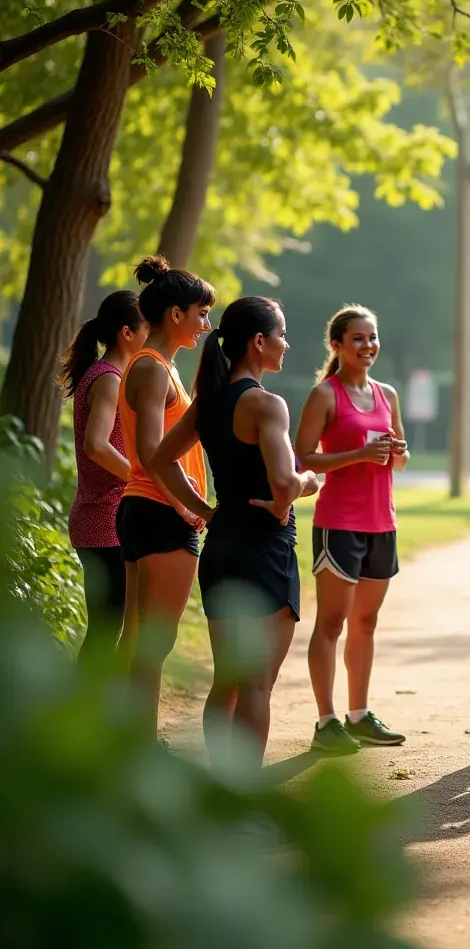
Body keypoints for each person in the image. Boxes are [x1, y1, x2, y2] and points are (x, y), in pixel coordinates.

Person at [150, 297, 319, 768]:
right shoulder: (267, 404)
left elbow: (161, 459)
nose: (287, 344)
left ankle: (221, 794)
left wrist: (207, 511)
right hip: (264, 548)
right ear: (259, 341)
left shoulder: (210, 401)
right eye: (282, 334)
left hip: (222, 546)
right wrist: (309, 482)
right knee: (257, 683)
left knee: (228, 679)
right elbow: (286, 483)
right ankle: (242, 803)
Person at [295, 305, 409, 756]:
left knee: (366, 622)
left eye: (373, 337)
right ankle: (326, 722)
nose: (368, 346)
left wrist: (397, 451)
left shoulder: (388, 395)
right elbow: (303, 457)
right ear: (337, 345)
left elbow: (399, 458)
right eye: (358, 338)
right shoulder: (326, 394)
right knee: (332, 623)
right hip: (339, 523)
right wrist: (355, 457)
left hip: (383, 522)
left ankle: (358, 716)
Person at [116, 255, 215, 738]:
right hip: (158, 511)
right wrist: (197, 508)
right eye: (200, 314)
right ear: (175, 314)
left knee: (137, 636)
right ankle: (139, 745)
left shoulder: (161, 368)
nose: (205, 323)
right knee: (154, 641)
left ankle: (119, 740)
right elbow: (154, 453)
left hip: (144, 509)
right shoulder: (153, 369)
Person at [60, 291, 148, 667]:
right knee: (105, 627)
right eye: (149, 328)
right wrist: (142, 479)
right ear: (127, 333)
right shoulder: (109, 379)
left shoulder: (109, 375)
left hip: (104, 517)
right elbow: (96, 445)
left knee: (110, 626)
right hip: (102, 519)